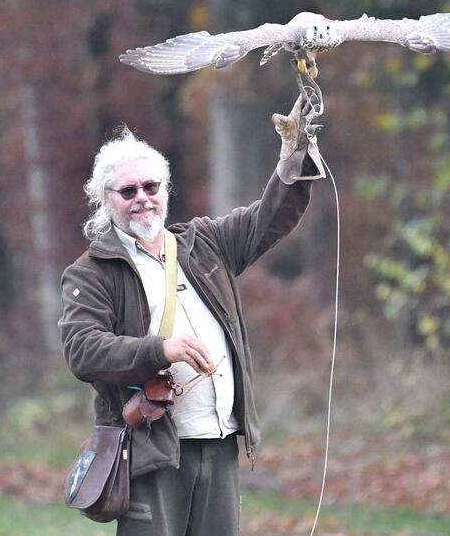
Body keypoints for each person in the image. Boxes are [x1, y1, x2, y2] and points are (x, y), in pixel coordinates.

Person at [58, 94, 324, 535]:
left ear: (166, 190)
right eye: (128, 191)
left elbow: (268, 219)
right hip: (150, 450)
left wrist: (293, 156)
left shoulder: (205, 243)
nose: (142, 199)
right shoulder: (90, 272)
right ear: (106, 199)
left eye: (151, 187)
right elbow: (82, 351)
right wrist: (161, 350)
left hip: (219, 443)